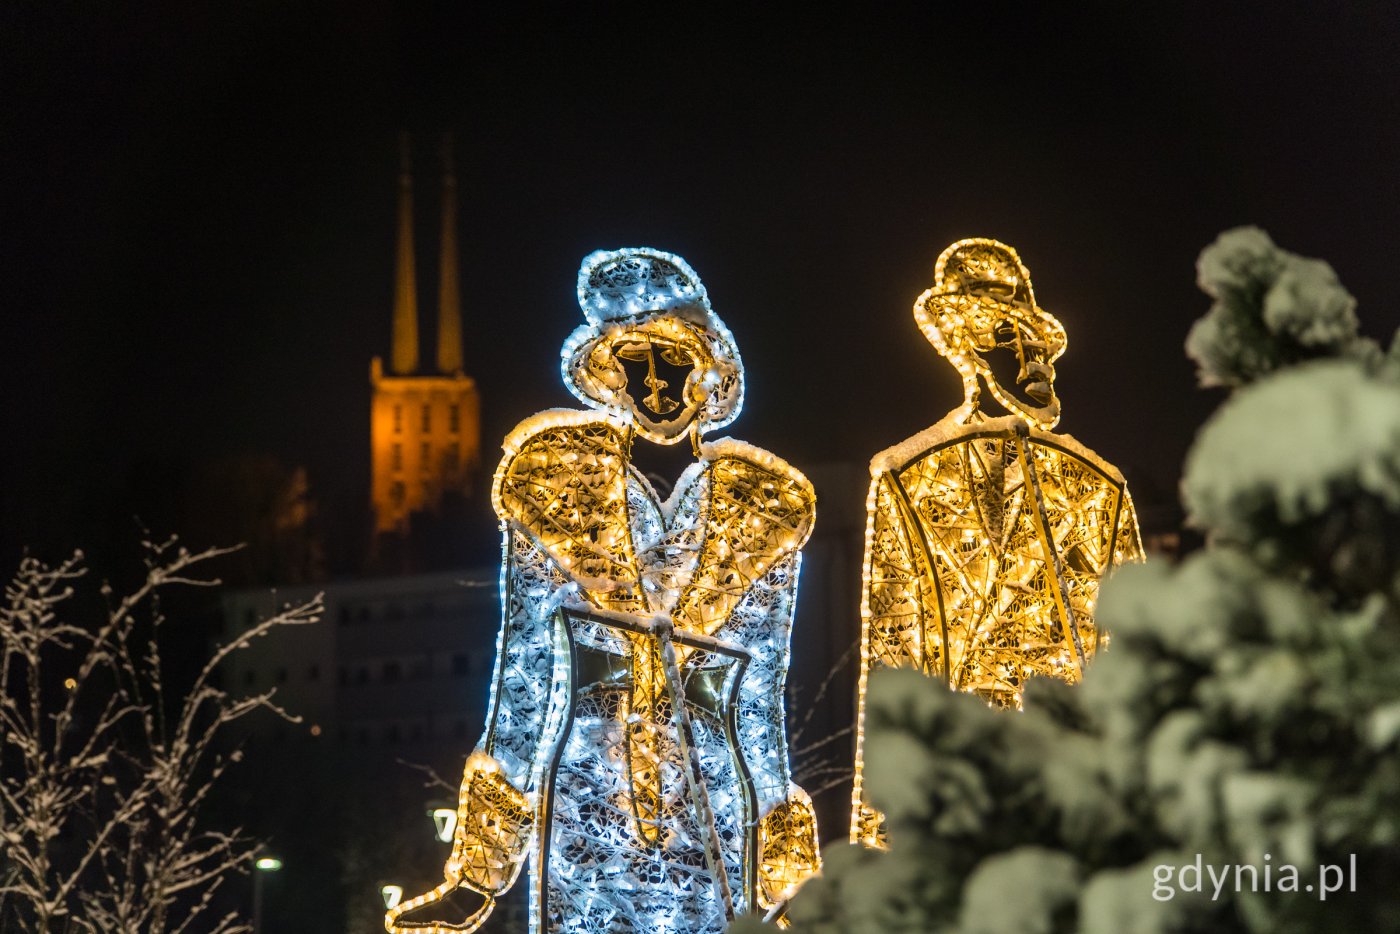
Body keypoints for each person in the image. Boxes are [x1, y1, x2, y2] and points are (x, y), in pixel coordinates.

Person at [388, 248, 820, 933]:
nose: (654, 381)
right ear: (608, 373)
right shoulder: (556, 493)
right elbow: (524, 677)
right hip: (590, 792)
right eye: (632, 359)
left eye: (671, 357)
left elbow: (761, 701)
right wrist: (478, 874)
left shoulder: (762, 512)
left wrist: (789, 874)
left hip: (710, 800)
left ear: (706, 366)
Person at [849, 238, 1144, 848]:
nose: (1037, 363)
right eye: (1013, 337)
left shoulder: (1099, 486)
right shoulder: (909, 477)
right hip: (961, 794)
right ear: (968, 341)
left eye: (1041, 346)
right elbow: (892, 664)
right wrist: (884, 845)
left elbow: (1137, 657)